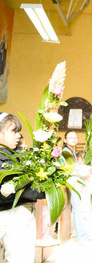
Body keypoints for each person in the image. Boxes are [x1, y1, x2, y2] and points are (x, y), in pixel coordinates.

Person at [0, 112, 44, 262]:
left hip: (23, 214)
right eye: (14, 131)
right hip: (9, 215)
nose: (18, 136)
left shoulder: (20, 156)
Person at [63, 130, 92, 245]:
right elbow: (68, 170)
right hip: (73, 183)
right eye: (70, 137)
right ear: (65, 140)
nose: (73, 139)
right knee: (78, 209)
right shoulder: (66, 152)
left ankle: (84, 236)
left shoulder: (71, 152)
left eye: (75, 137)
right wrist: (82, 174)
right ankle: (81, 238)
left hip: (76, 182)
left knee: (79, 209)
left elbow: (75, 167)